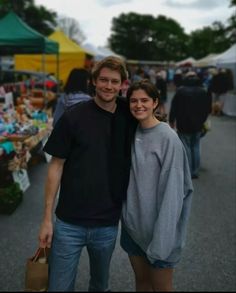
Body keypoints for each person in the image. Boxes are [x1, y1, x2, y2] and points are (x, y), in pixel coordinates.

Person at [38, 56, 136, 291]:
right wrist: (46, 219)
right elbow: (55, 166)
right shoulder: (74, 116)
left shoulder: (129, 114)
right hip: (68, 222)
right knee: (58, 287)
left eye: (114, 81)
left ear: (123, 83)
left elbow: (154, 123)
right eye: (103, 80)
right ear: (93, 81)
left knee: (100, 286)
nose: (108, 86)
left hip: (107, 223)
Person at [121, 79, 193, 292]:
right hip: (134, 229)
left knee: (161, 288)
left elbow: (174, 194)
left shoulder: (168, 138)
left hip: (161, 233)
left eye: (144, 100)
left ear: (155, 103)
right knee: (142, 284)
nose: (139, 105)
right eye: (133, 101)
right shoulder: (131, 132)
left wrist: (162, 242)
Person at [169, 71, 212, 179]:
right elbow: (208, 108)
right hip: (198, 123)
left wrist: (171, 121)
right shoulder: (203, 91)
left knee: (186, 146)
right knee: (196, 146)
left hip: (183, 123)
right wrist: (203, 119)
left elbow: (174, 107)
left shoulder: (181, 91)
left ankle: (188, 170)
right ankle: (195, 170)